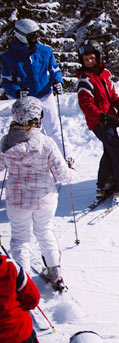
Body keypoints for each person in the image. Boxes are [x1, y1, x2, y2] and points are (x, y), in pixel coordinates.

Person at [0, 96, 74, 290]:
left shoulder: (6, 142)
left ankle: (23, 283)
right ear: (36, 119)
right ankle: (55, 273)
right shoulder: (45, 142)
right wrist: (73, 172)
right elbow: (62, 175)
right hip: (44, 200)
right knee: (45, 232)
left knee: (20, 239)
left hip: (17, 201)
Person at [75, 40, 119, 199]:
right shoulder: (85, 80)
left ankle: (104, 185)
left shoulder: (104, 75)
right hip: (99, 121)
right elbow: (86, 105)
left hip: (109, 119)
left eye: (92, 58)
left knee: (110, 151)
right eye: (86, 59)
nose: (89, 62)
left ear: (98, 57)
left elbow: (112, 96)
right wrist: (102, 117)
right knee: (118, 150)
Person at [1, 19, 65, 148]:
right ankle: (38, 163)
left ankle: (63, 159)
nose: (36, 38)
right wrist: (17, 91)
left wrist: (58, 81)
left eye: (37, 34)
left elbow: (55, 70)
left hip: (45, 95)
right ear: (21, 35)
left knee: (54, 130)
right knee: (32, 134)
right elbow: (7, 81)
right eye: (32, 36)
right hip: (27, 101)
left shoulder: (45, 51)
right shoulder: (9, 57)